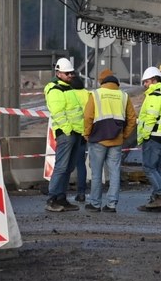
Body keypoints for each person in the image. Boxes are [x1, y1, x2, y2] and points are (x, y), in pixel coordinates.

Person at [83, 68, 134, 213]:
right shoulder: (124, 96)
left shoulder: (96, 94)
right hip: (116, 141)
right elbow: (132, 119)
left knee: (97, 173)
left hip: (98, 140)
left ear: (102, 82)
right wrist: (124, 135)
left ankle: (95, 203)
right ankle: (111, 204)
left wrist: (86, 134)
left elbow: (87, 117)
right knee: (114, 172)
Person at [44, 57, 84, 212]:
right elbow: (59, 113)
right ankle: (52, 198)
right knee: (61, 167)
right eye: (67, 74)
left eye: (71, 73)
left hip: (75, 133)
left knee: (68, 167)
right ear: (58, 73)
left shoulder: (67, 88)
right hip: (67, 133)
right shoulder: (55, 90)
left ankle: (61, 197)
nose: (70, 76)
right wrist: (68, 130)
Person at [136, 66, 161, 212]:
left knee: (149, 167)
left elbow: (151, 117)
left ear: (153, 80)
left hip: (154, 137)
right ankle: (155, 200)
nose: (144, 85)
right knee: (157, 169)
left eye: (146, 82)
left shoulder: (155, 95)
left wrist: (144, 135)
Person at [72, 85, 91, 203]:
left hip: (70, 131)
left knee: (64, 165)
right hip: (83, 132)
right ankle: (81, 192)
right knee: (80, 164)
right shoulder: (87, 93)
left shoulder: (69, 92)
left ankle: (59, 194)